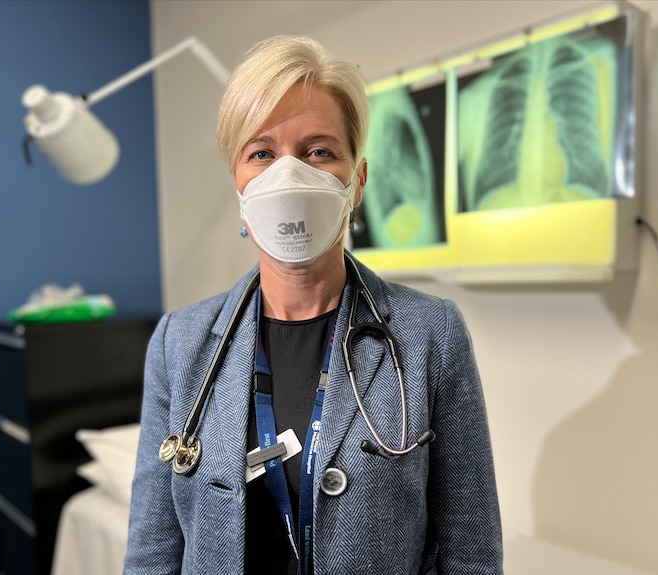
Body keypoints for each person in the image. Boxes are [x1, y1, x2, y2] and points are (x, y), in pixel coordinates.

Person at [124, 35, 502, 575]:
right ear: (239, 184)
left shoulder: (431, 336)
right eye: (261, 153)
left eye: (318, 151)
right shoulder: (179, 343)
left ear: (358, 179)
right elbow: (152, 553)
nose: (288, 174)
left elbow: (472, 550)